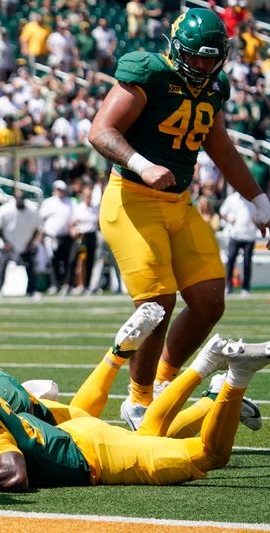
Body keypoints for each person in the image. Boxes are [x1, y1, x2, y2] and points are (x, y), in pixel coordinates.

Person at [88, 8, 270, 430]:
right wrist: (140, 162)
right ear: (176, 49)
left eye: (211, 59)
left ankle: (168, 388)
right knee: (158, 304)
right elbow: (100, 130)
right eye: (196, 57)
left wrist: (259, 198)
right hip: (131, 199)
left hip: (178, 203)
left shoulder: (214, 88)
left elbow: (221, 148)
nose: (203, 66)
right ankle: (138, 402)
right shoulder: (149, 73)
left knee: (209, 301)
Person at [0, 332, 270, 491]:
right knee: (149, 434)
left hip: (94, 456)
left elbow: (13, 474)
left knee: (208, 457)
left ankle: (237, 375)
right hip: (77, 434)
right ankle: (208, 370)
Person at [0, 191, 41, 297]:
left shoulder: (32, 210)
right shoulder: (4, 209)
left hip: (25, 242)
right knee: (3, 265)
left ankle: (31, 290)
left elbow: (37, 228)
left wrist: (30, 242)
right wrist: (6, 242)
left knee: (30, 266)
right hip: (8, 243)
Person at [219, 189, 257, 295]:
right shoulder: (232, 199)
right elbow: (222, 212)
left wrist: (256, 221)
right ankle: (228, 286)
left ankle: (246, 288)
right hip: (235, 235)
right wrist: (230, 220)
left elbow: (258, 216)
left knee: (247, 262)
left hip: (249, 236)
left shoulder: (252, 199)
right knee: (230, 260)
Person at [39, 180, 73, 295]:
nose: (60, 192)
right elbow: (41, 220)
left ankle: (65, 284)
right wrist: (41, 235)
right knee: (53, 261)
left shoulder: (69, 202)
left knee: (66, 261)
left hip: (66, 236)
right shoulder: (48, 203)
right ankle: (54, 284)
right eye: (58, 189)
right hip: (52, 236)